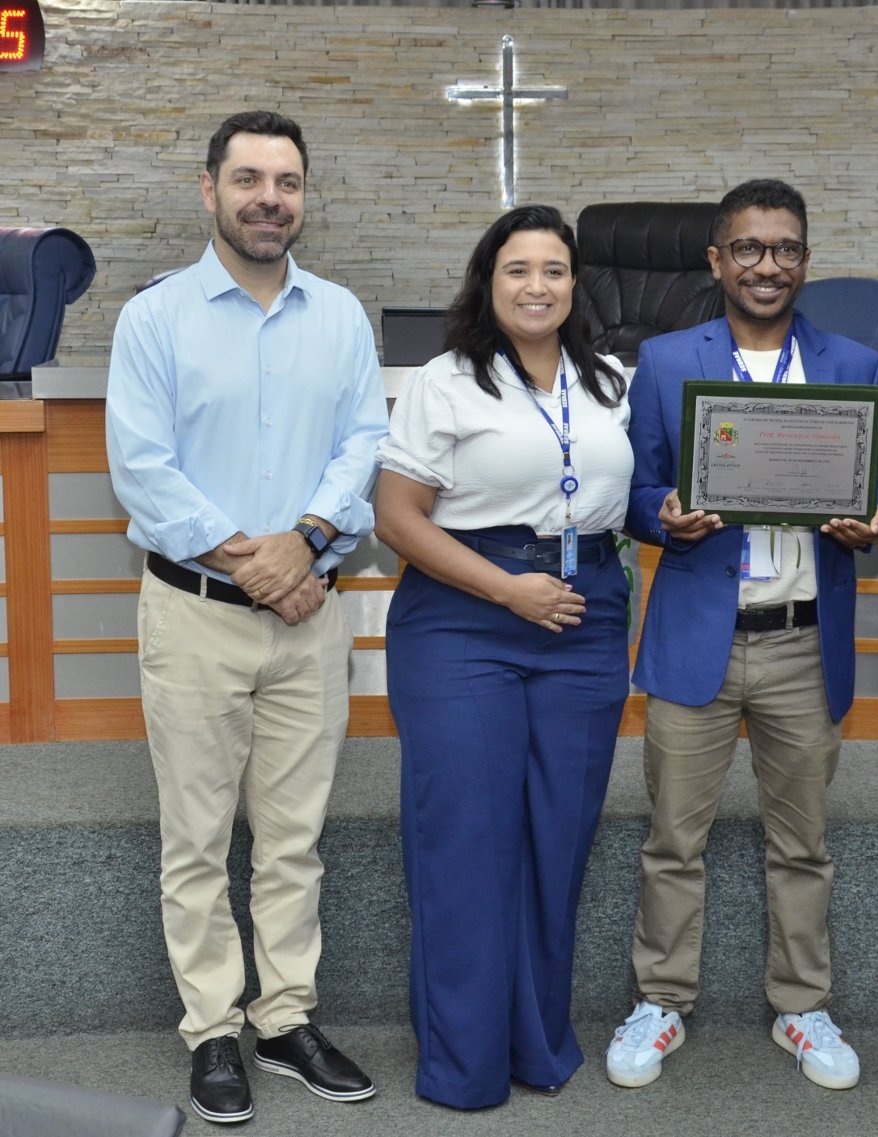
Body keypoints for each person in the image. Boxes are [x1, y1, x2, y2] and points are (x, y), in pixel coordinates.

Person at [105, 110, 386, 1125]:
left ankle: (284, 1018)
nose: (270, 199)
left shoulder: (340, 317)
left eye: (288, 182)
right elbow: (144, 473)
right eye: (250, 179)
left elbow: (363, 446)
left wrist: (305, 541)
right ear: (209, 189)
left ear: (305, 197)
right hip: (197, 618)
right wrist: (264, 565)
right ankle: (212, 1030)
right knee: (195, 840)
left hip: (311, 615)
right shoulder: (155, 319)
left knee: (293, 839)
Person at [606, 179, 878, 1092]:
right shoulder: (664, 361)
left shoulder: (854, 362)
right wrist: (662, 515)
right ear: (716, 260)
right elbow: (637, 490)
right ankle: (661, 1000)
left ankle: (802, 1005)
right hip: (698, 633)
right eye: (747, 248)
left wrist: (875, 515)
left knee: (802, 843)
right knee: (672, 840)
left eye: (785, 249)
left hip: (804, 641)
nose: (767, 265)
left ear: (805, 260)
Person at [374, 205, 632, 1110]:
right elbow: (396, 516)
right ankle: (465, 1063)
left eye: (554, 270)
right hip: (464, 620)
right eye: (517, 269)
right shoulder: (445, 381)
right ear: (488, 282)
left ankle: (535, 1043)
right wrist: (505, 588)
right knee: (468, 841)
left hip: (585, 619)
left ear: (575, 285)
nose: (536, 285)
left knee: (558, 840)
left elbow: (628, 494)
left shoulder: (610, 380)